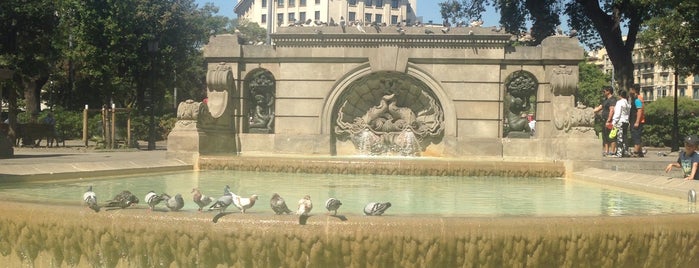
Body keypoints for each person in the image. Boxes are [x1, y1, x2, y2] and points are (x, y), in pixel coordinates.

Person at [593, 86, 616, 157]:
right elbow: (599, 108)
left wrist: (609, 120)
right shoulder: (605, 100)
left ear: (608, 91)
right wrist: (589, 111)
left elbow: (612, 110)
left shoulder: (612, 99)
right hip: (604, 120)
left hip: (609, 120)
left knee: (611, 136)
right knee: (605, 136)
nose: (603, 93)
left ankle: (612, 151)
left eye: (604, 91)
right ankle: (606, 151)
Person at [611, 90, 630, 157]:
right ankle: (625, 152)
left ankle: (619, 153)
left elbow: (617, 113)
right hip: (626, 121)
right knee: (625, 137)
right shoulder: (627, 103)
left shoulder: (619, 103)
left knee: (619, 137)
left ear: (620, 95)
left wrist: (613, 122)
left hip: (620, 121)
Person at [628, 84, 645, 157]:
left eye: (631, 89)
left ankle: (636, 152)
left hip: (636, 121)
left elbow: (639, 110)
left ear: (634, 90)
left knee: (636, 136)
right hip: (635, 120)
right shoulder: (636, 98)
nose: (629, 91)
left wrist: (637, 121)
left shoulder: (638, 99)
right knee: (637, 136)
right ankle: (640, 152)